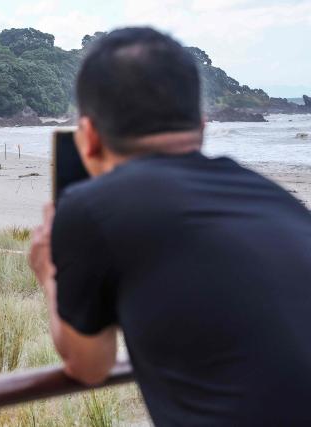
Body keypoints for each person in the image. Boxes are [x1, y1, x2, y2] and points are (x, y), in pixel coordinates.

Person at [29, 27, 311, 426]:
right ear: (202, 124)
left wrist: (48, 272)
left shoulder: (91, 206)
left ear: (89, 137)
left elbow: (89, 365)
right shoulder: (276, 199)